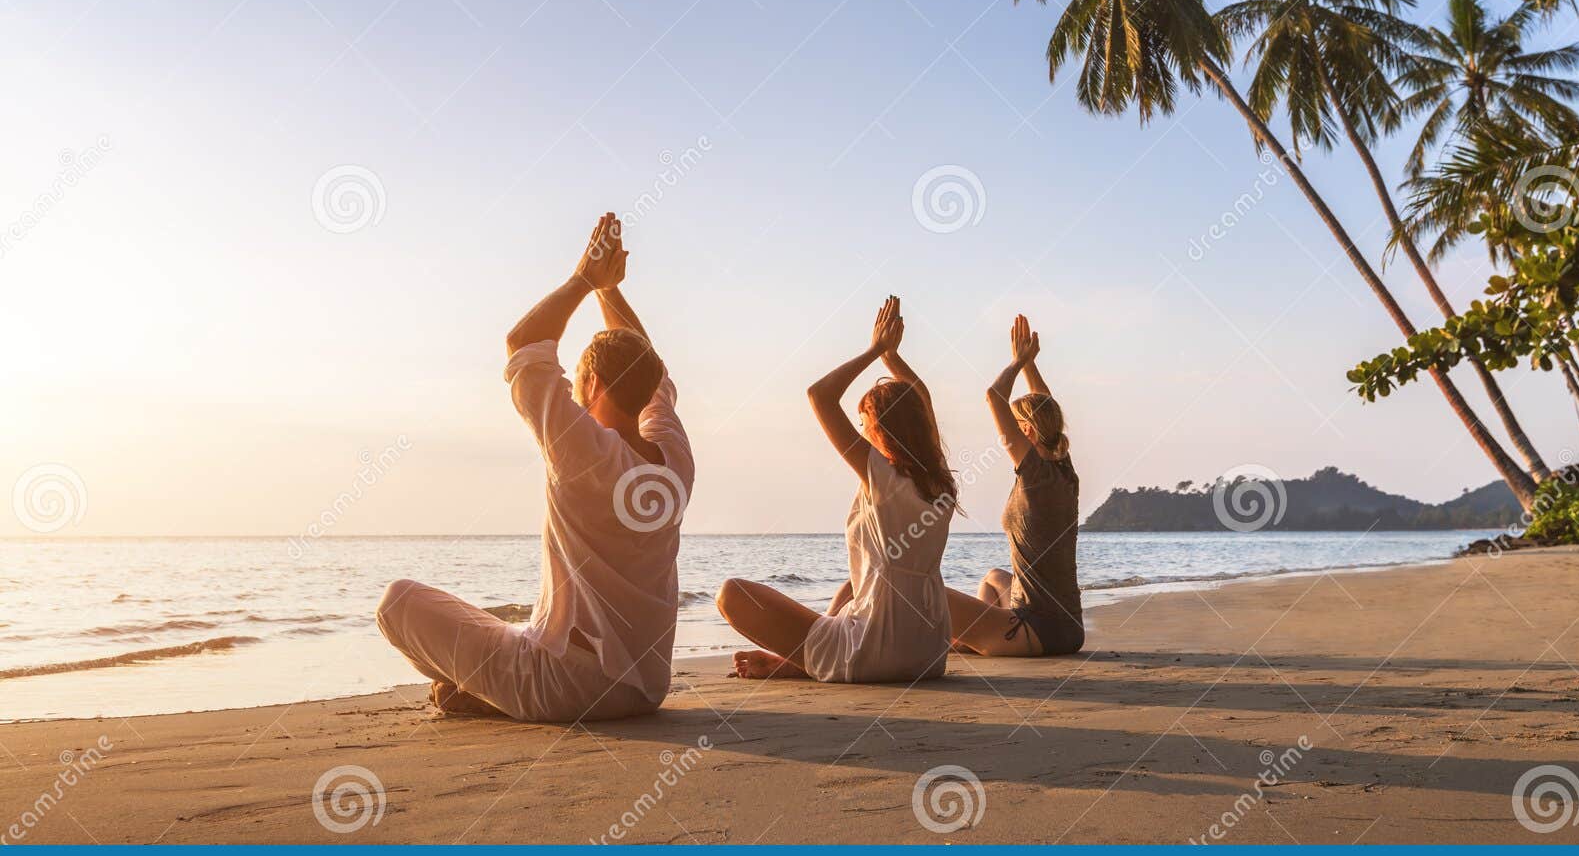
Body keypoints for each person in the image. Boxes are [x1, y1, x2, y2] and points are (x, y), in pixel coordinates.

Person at [376, 214, 693, 721]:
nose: (569, 391)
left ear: (593, 389)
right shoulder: (674, 456)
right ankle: (485, 691)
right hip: (644, 688)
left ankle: (489, 695)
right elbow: (647, 366)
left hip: (565, 687)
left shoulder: (581, 450)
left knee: (397, 602)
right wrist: (608, 292)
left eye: (577, 383)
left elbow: (524, 345)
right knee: (509, 631)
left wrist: (585, 280)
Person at [717, 296, 956, 682]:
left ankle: (800, 663)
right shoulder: (940, 482)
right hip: (929, 652)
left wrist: (875, 350)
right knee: (851, 587)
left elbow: (820, 396)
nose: (862, 432)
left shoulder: (882, 476)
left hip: (876, 651)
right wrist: (892, 358)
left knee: (731, 594)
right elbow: (922, 402)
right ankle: (801, 661)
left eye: (866, 424)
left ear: (882, 430)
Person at [946, 315, 1084, 657]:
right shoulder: (1064, 470)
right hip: (1068, 627)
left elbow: (994, 397)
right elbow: (1046, 408)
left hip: (1036, 629)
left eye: (1017, 424)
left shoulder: (1036, 476)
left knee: (927, 592)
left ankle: (966, 642)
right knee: (994, 577)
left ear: (1026, 433)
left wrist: (1018, 361)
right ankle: (970, 642)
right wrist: (1031, 366)